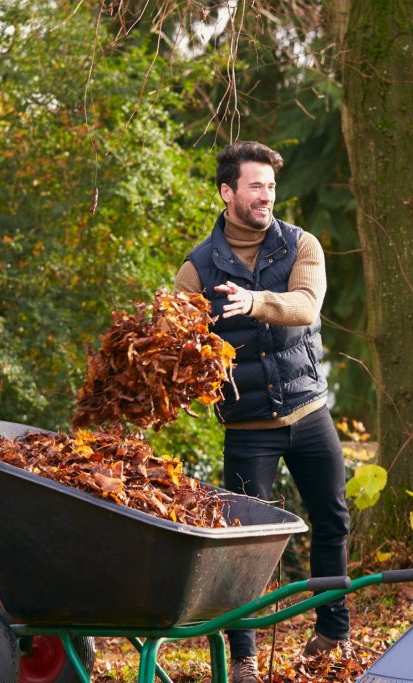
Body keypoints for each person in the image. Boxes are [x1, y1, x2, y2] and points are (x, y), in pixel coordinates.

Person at [175, 141, 351, 683]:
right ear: (228, 192)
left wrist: (253, 302)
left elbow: (306, 306)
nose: (266, 195)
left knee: (333, 520)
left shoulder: (301, 245)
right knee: (243, 544)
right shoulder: (198, 268)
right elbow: (177, 340)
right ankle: (245, 657)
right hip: (248, 430)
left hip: (308, 413)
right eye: (255, 186)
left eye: (271, 186)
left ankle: (332, 632)